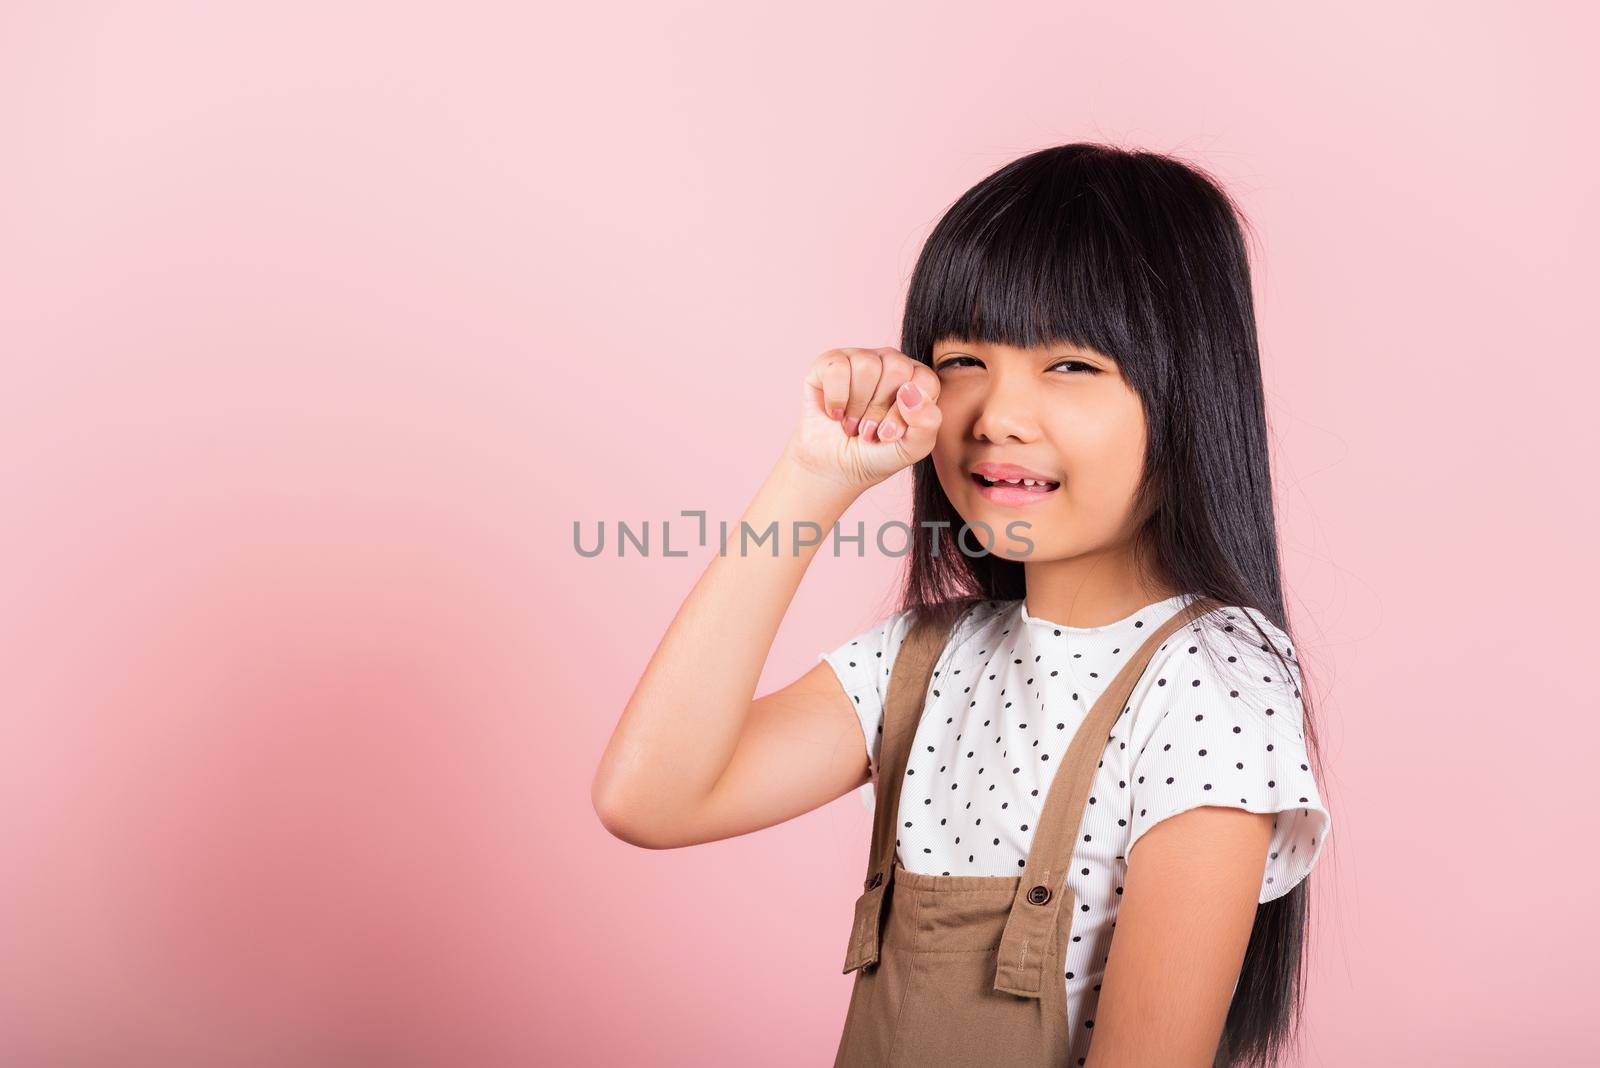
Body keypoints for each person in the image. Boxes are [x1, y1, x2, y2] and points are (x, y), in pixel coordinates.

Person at [592, 142, 1333, 1067]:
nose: (995, 416)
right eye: (962, 360)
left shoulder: (1212, 678)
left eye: (1070, 366)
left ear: (1189, 393)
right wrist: (812, 478)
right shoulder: (930, 659)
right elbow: (649, 797)